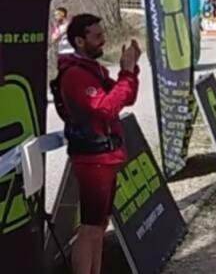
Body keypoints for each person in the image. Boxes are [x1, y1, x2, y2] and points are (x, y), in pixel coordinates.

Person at [53, 14, 141, 274]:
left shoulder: (94, 69)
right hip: (93, 159)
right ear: (80, 41)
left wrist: (130, 71)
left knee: (100, 226)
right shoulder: (75, 75)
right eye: (97, 36)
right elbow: (106, 107)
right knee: (90, 227)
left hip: (105, 155)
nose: (103, 40)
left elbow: (126, 97)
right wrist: (126, 73)